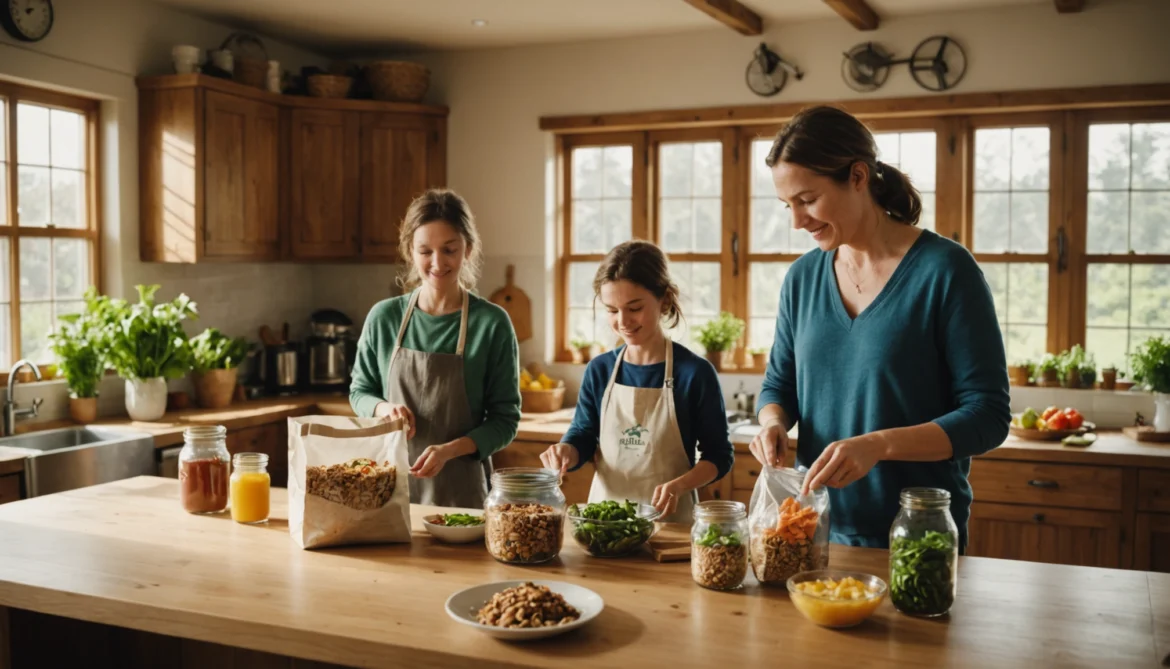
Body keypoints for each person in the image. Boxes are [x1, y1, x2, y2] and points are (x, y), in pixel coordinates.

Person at [748, 105, 1010, 550]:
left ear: (857, 177)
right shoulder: (802, 279)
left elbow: (987, 416)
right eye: (787, 205)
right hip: (813, 529)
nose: (796, 221)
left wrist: (880, 445)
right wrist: (772, 422)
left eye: (808, 200)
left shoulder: (945, 271)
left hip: (917, 535)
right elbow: (779, 385)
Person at [540, 241, 734, 523]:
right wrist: (565, 452)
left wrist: (680, 485)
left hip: (671, 524)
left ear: (664, 300)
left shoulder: (694, 373)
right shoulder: (600, 369)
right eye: (612, 310)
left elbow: (719, 456)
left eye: (634, 308)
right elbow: (583, 435)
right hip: (604, 524)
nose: (623, 321)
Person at [350, 189, 521, 508]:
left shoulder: (492, 324)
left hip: (461, 496)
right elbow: (360, 392)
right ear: (410, 252)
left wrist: (450, 450)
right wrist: (384, 409)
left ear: (468, 249)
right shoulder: (384, 317)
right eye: (425, 251)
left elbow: (505, 420)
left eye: (449, 249)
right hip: (387, 488)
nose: (437, 263)